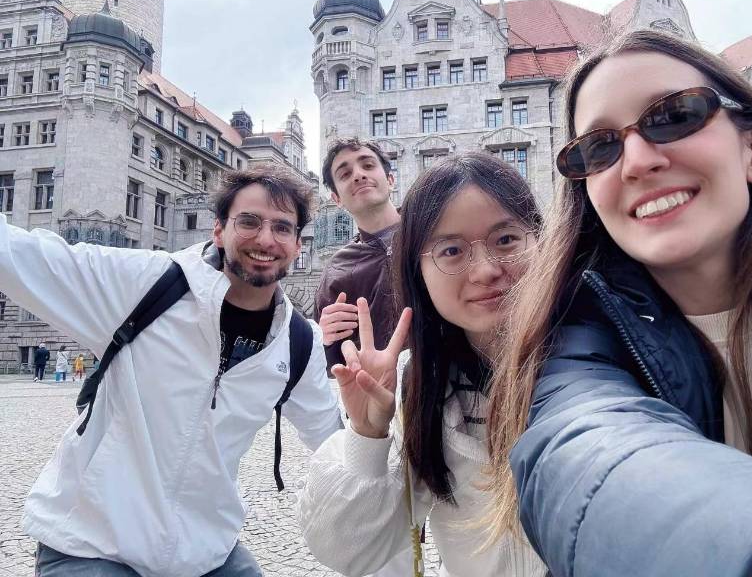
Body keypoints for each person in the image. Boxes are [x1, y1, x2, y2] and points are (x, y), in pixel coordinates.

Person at [486, 30, 752, 577]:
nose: (635, 162)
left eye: (675, 115)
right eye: (599, 148)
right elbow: (584, 455)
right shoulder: (572, 327)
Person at [1, 165, 342, 577]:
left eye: (282, 227)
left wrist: (372, 418)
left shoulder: (299, 341)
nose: (266, 239)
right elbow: (15, 253)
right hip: (90, 544)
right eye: (249, 222)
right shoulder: (143, 283)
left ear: (298, 242)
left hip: (205, 552)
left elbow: (334, 444)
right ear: (219, 230)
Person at [300, 153, 547, 577]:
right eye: (451, 250)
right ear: (418, 272)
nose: (485, 271)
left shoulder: (611, 355)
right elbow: (347, 547)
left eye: (506, 239)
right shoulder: (421, 385)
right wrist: (366, 437)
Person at [315, 138, 401, 373]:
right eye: (345, 174)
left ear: (390, 180)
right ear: (337, 199)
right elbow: (329, 365)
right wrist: (324, 339)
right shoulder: (337, 270)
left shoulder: (431, 236)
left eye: (368, 165)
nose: (359, 175)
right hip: (373, 388)